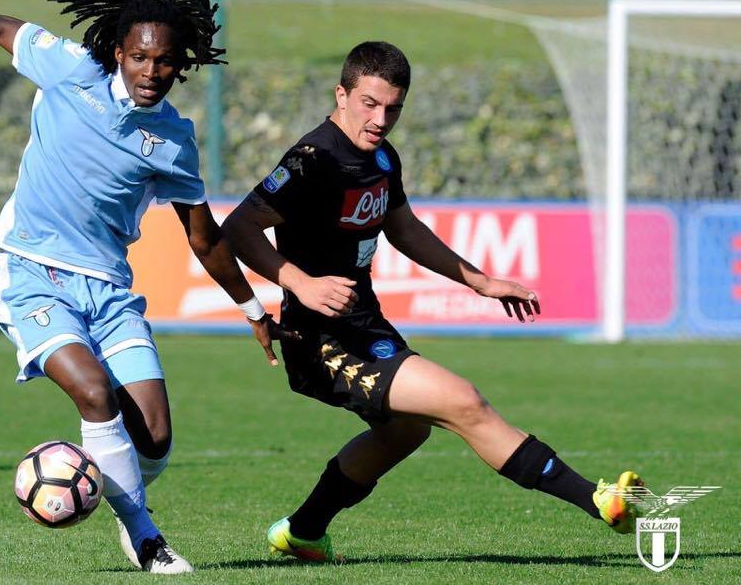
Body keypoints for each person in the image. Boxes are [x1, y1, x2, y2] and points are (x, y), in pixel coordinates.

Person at [0, 0, 293, 574]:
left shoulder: (174, 140)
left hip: (109, 292)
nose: (151, 70)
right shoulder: (71, 70)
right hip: (30, 272)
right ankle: (146, 537)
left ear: (181, 65)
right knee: (94, 393)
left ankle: (118, 492)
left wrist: (253, 309)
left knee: (155, 441)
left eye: (165, 61)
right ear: (117, 52)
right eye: (139, 56)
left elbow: (204, 238)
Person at [221, 41, 644, 563]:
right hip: (319, 338)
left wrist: (481, 282)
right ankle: (600, 500)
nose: (380, 120)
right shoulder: (313, 159)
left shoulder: (381, 156)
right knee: (463, 401)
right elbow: (238, 226)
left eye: (393, 108)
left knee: (406, 431)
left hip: (364, 324)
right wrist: (301, 283)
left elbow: (404, 229)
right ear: (341, 94)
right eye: (369, 104)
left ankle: (304, 532)